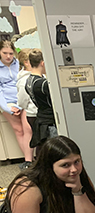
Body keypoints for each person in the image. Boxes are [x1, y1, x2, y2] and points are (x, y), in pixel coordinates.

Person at [0, 40, 34, 168]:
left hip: (23, 100)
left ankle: (30, 160)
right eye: (5, 53)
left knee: (28, 129)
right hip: (7, 103)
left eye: (10, 53)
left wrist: (21, 104)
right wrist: (7, 108)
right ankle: (28, 162)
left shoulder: (19, 64)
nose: (8, 56)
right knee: (19, 130)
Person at [25, 48, 58, 149]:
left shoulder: (28, 81)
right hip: (50, 121)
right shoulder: (43, 84)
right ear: (43, 63)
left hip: (40, 117)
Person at [16, 48, 38, 149]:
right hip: (32, 113)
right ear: (26, 63)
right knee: (38, 140)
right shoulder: (24, 80)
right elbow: (22, 100)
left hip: (38, 112)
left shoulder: (38, 75)